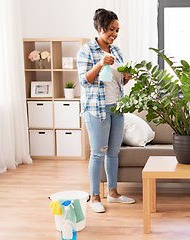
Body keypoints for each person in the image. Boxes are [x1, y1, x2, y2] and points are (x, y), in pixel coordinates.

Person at [77, 8, 135, 213]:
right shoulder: (87, 50)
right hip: (95, 109)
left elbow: (118, 82)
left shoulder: (116, 50)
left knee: (113, 153)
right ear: (100, 27)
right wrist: (101, 63)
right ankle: (94, 197)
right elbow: (84, 81)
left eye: (117, 30)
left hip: (116, 107)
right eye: (111, 29)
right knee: (97, 154)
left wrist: (127, 77)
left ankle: (113, 193)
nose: (115, 34)